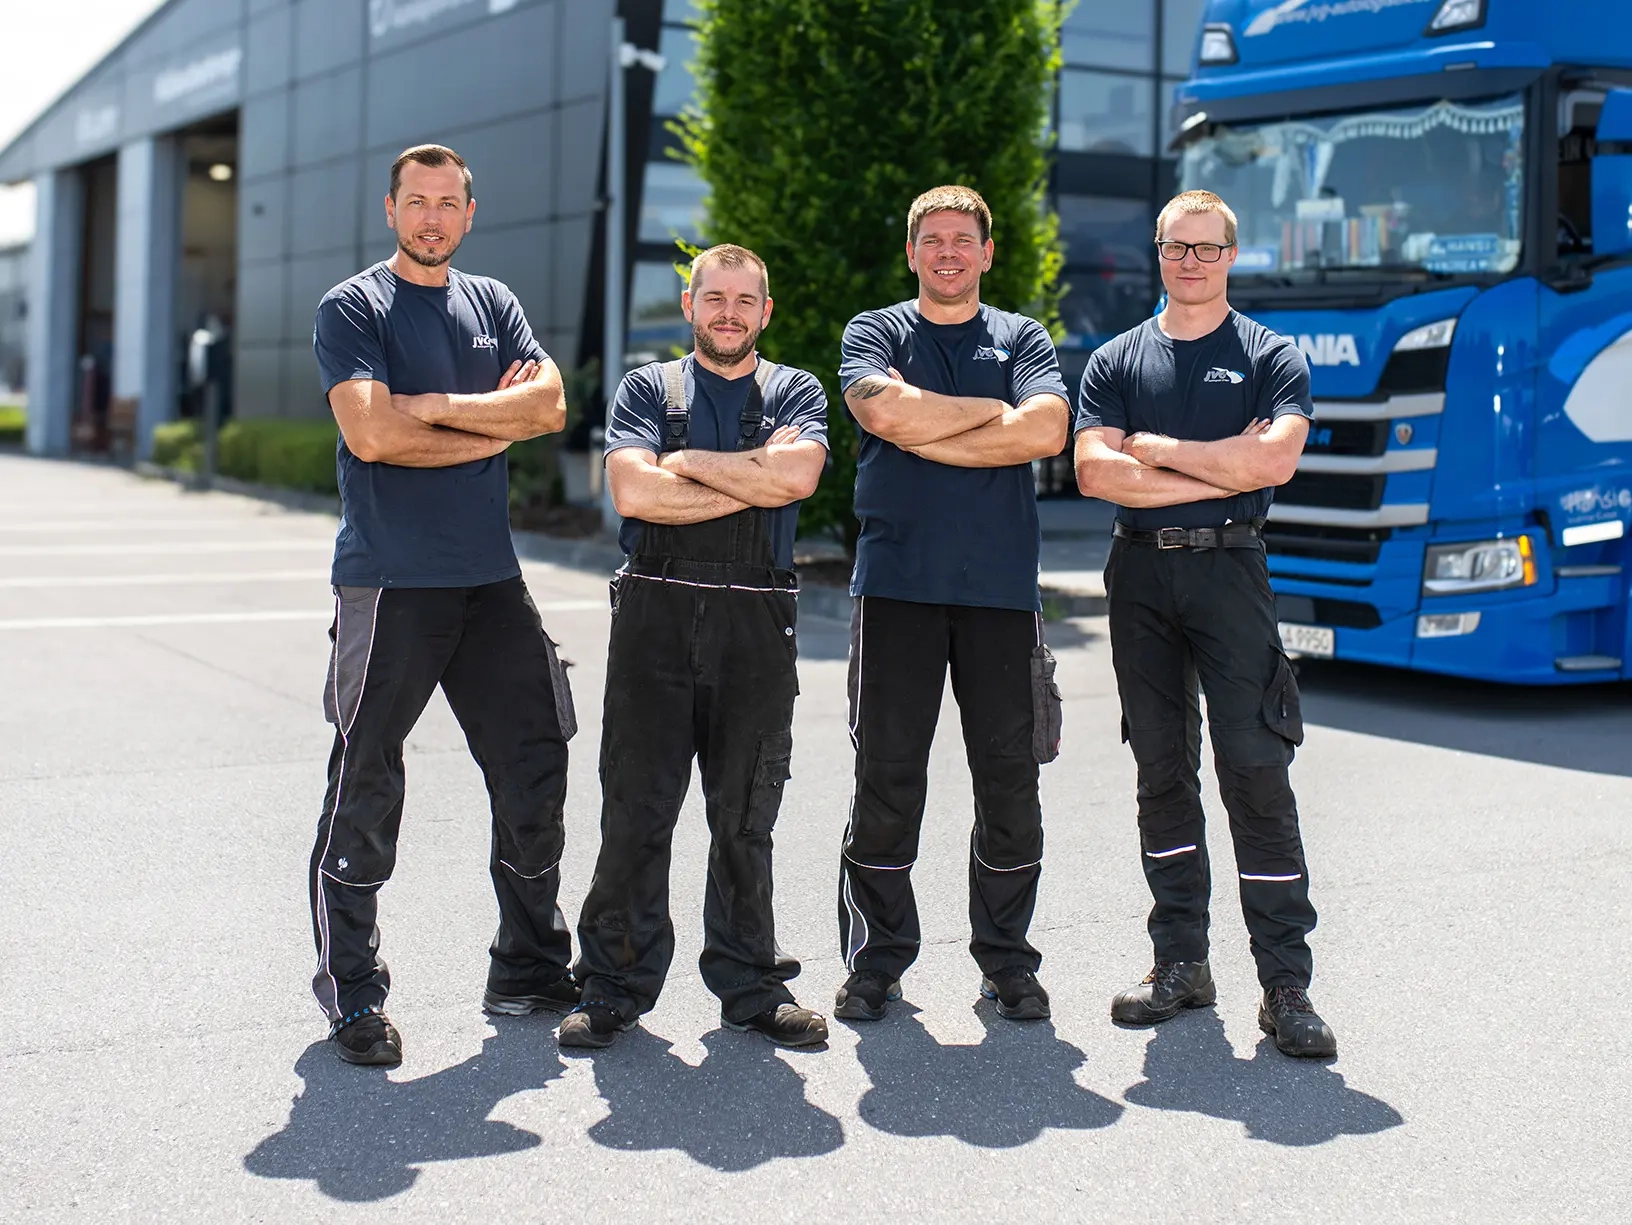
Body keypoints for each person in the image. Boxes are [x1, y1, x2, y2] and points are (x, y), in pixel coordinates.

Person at [309, 144, 579, 1066]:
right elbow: (372, 434)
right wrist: (482, 423)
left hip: (488, 577)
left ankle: (529, 963)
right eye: (415, 202)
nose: (432, 217)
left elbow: (548, 407)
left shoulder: (493, 302)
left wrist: (436, 409)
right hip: (389, 579)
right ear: (391, 210)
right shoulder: (353, 308)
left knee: (537, 753)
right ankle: (352, 993)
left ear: (470, 211)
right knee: (368, 775)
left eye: (448, 203)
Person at [1074, 189, 1337, 1058]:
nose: (1190, 262)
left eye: (1206, 248)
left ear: (1232, 254)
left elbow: (1279, 458)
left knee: (1256, 770)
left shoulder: (1271, 355)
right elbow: (1094, 474)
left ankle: (1284, 982)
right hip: (1141, 573)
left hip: (1233, 569)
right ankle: (1180, 962)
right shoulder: (1115, 360)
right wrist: (1223, 470)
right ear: (1157, 253)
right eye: (1176, 248)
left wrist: (1160, 450)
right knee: (1161, 770)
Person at [562, 244, 832, 1050]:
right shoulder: (649, 386)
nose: (727, 312)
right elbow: (633, 490)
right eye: (712, 297)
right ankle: (611, 985)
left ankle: (751, 983)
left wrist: (686, 467)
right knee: (636, 809)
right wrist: (753, 470)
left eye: (743, 300)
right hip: (655, 615)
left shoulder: (798, 390)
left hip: (757, 621)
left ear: (765, 311)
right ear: (689, 305)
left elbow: (800, 480)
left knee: (745, 813)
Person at [833, 185, 1071, 1023]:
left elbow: (1046, 431)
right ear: (911, 252)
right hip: (896, 587)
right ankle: (877, 960)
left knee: (1009, 783)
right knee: (887, 779)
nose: (947, 252)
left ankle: (1007, 960)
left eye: (962, 239)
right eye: (932, 239)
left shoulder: (1022, 336)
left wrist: (925, 424)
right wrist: (986, 416)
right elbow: (881, 412)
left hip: (1001, 593)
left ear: (986, 252)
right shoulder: (874, 331)